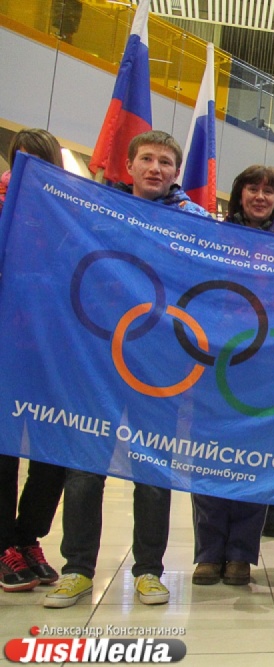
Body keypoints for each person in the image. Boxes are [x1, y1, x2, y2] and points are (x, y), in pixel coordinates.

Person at [43, 130, 212, 609]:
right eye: (147, 159)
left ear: (176, 173)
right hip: (95, 361)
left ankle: (149, 571)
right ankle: (77, 570)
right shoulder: (99, 211)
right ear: (130, 166)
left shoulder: (194, 223)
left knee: (152, 471)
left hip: (159, 364)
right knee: (84, 470)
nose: (156, 168)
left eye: (165, 162)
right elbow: (65, 267)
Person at [190, 165, 274, 588]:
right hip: (216, 361)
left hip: (266, 366)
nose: (259, 197)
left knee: (254, 458)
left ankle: (240, 554)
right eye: (252, 189)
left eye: (268, 192)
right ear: (238, 195)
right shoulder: (216, 237)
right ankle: (208, 552)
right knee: (210, 455)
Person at [0, 129, 67, 592]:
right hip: (8, 347)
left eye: (40, 160)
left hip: (55, 350)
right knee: (4, 452)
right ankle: (4, 542)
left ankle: (29, 537)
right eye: (23, 159)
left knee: (53, 451)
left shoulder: (69, 213)